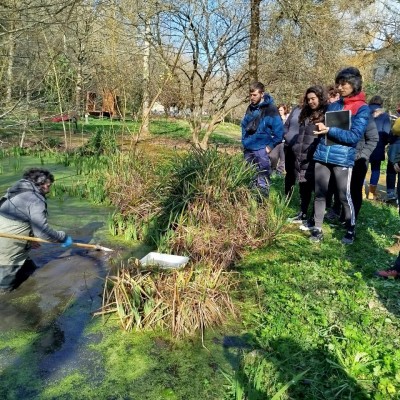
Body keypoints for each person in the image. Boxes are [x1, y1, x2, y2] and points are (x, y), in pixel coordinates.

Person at [310, 67, 370, 244]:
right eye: (338, 83)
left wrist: (330, 129)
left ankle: (351, 228)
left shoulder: (362, 108)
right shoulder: (334, 105)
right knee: (320, 193)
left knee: (344, 196)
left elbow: (353, 137)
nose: (339, 87)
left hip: (343, 158)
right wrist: (321, 128)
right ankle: (317, 228)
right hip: (323, 154)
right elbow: (329, 128)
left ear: (354, 84)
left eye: (343, 84)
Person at [0, 168, 73, 293]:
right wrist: (63, 237)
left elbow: (21, 213)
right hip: (9, 240)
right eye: (48, 186)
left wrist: (30, 237)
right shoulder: (35, 199)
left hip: (4, 228)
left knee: (30, 269)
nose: (49, 190)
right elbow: (43, 232)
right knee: (6, 283)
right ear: (41, 184)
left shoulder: (18, 187)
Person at [288, 86, 328, 225]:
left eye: (313, 99)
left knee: (316, 190)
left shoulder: (326, 113)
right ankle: (302, 212)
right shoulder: (305, 113)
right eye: (308, 99)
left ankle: (313, 218)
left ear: (320, 98)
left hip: (315, 156)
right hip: (301, 155)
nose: (311, 102)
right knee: (303, 186)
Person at [241, 82, 284, 195]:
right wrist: (244, 142)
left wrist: (269, 147)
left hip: (262, 149)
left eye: (254, 95)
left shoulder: (271, 109)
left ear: (262, 94)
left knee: (263, 180)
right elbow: (244, 126)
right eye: (250, 95)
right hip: (248, 149)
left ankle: (263, 203)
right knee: (248, 177)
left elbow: (279, 133)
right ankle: (250, 202)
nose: (252, 97)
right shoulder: (250, 108)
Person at [367, 95, 391, 200]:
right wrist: (384, 143)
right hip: (378, 144)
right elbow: (386, 132)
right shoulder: (384, 115)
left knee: (361, 167)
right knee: (375, 169)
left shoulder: (364, 111)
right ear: (381, 103)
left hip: (364, 144)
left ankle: (360, 191)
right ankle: (372, 193)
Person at [283, 98, 302, 197]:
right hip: (289, 146)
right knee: (289, 172)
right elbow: (286, 124)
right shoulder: (296, 109)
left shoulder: (314, 112)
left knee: (302, 174)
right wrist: (286, 135)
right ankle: (287, 196)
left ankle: (302, 200)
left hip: (303, 148)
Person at [269, 104, 288, 176]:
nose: (280, 111)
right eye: (279, 110)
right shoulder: (274, 118)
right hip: (276, 140)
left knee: (283, 158)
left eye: (281, 110)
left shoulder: (287, 119)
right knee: (273, 156)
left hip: (284, 141)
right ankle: (272, 169)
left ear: (284, 110)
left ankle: (279, 172)